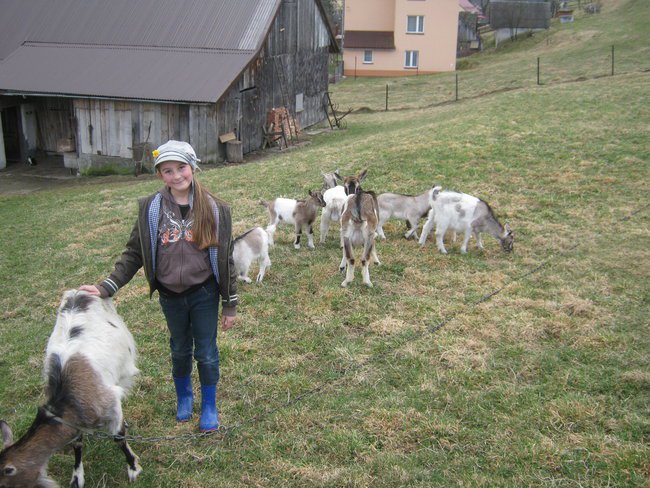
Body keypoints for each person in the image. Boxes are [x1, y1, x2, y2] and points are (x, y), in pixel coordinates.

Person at [80, 140, 238, 432]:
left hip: (204, 294)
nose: (176, 176)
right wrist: (106, 287)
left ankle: (209, 404)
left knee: (206, 352)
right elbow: (134, 252)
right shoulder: (150, 209)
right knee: (179, 349)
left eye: (181, 168)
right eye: (168, 170)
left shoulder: (215, 209)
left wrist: (229, 304)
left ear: (193, 167)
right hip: (170, 297)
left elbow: (226, 259)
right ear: (159, 174)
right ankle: (184, 396)